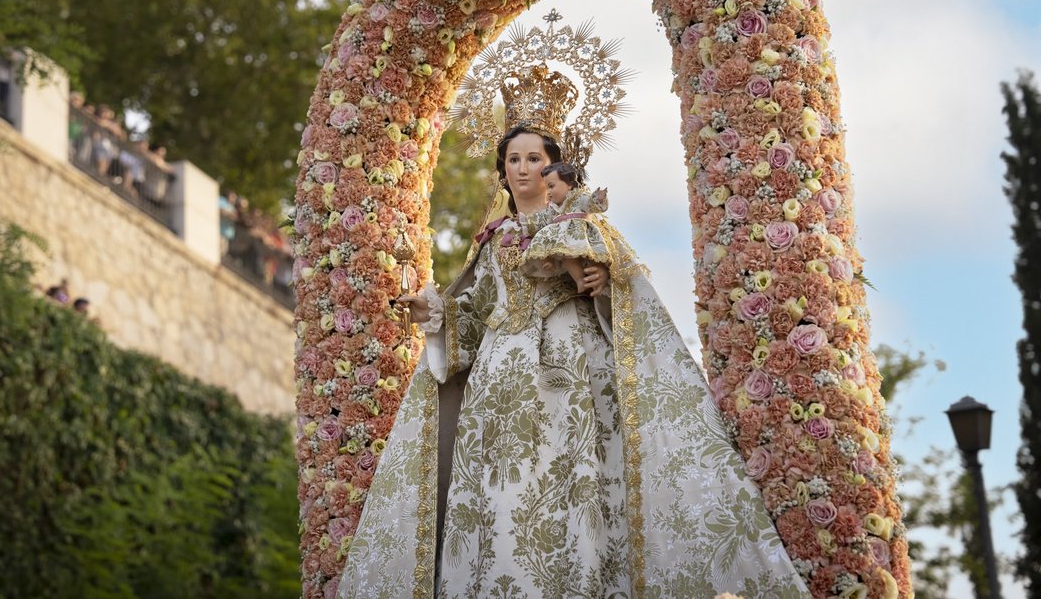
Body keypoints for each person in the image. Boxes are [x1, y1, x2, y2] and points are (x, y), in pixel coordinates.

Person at [335, 65, 810, 598]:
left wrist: (603, 283)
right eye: (513, 159)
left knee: (567, 477)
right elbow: (476, 312)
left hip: (568, 365)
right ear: (502, 170)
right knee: (500, 494)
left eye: (534, 158)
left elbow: (625, 293)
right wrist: (436, 311)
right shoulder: (492, 241)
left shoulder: (585, 226)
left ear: (555, 166)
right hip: (498, 378)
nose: (523, 169)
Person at [526, 160, 612, 292]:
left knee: (591, 258)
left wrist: (598, 198)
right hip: (564, 242)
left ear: (569, 185)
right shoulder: (553, 208)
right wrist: (526, 222)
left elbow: (590, 205)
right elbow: (542, 219)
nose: (548, 192)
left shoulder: (579, 197)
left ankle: (597, 277)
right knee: (566, 259)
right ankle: (577, 279)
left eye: (551, 186)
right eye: (547, 188)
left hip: (580, 236)